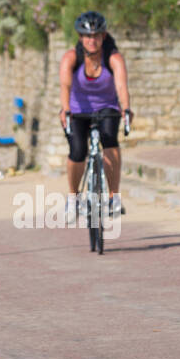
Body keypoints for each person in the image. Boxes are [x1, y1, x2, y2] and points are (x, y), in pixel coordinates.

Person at [59, 11, 132, 218]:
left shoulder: (113, 58)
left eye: (97, 35)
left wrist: (126, 109)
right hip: (77, 111)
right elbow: (65, 86)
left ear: (104, 36)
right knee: (77, 150)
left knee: (110, 141)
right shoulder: (71, 57)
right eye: (88, 36)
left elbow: (121, 86)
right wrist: (65, 110)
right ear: (81, 37)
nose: (92, 40)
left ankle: (113, 198)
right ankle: (73, 198)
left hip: (106, 108)